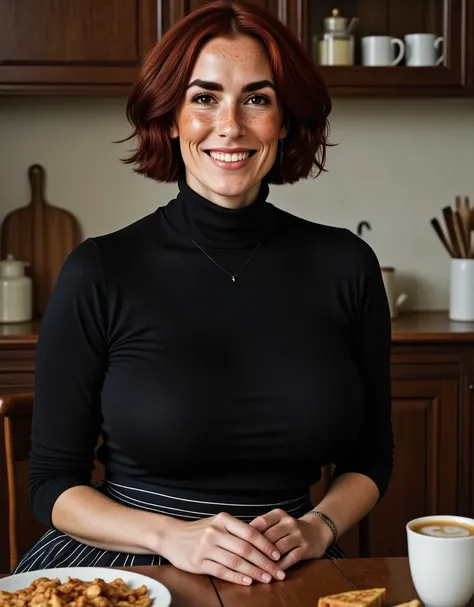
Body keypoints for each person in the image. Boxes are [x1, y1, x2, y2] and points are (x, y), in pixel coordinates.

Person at [14, 0, 394, 586]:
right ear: (170, 118)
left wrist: (318, 526)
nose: (231, 125)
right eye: (204, 97)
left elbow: (370, 458)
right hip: (124, 561)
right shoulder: (100, 269)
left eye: (257, 99)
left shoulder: (347, 265)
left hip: (285, 566)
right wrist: (172, 537)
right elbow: (52, 484)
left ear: (286, 120)